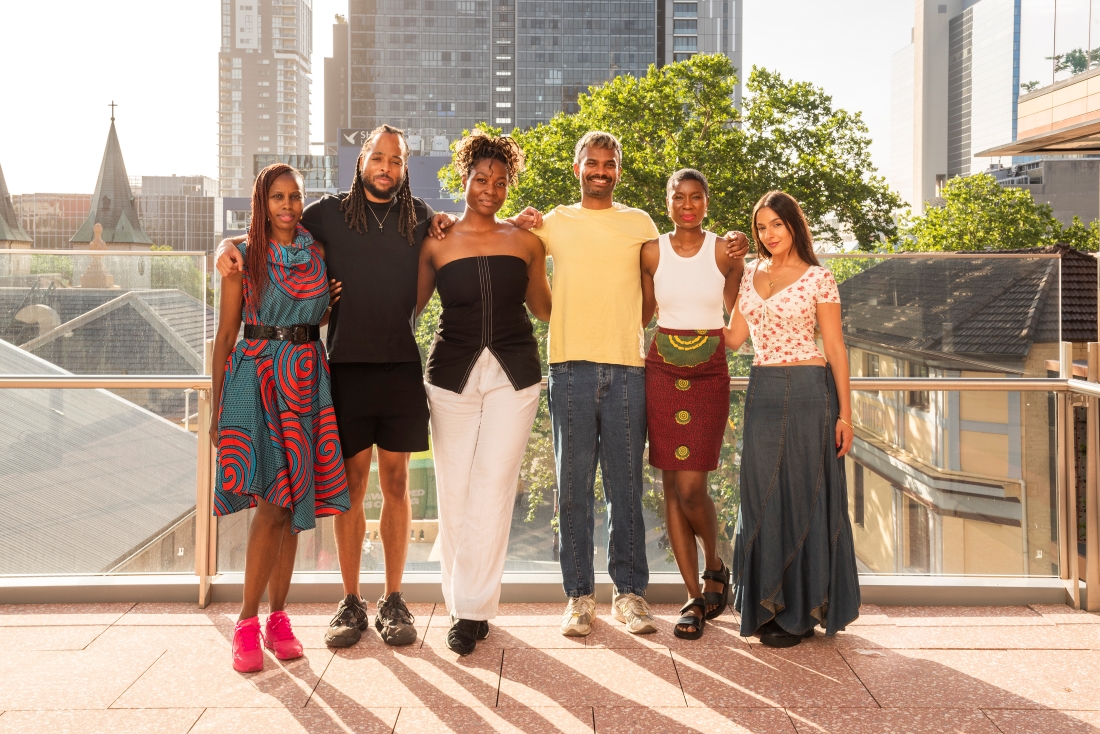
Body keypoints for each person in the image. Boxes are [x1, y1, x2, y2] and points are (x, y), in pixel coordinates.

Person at [215, 126, 456, 648]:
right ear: (361, 161)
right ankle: (350, 601)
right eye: (377, 157)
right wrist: (222, 245)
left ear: (405, 167)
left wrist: (448, 219)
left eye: (396, 159)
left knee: (395, 486)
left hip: (399, 369)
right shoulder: (325, 212)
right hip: (342, 369)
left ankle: (393, 599)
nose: (386, 167)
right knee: (348, 491)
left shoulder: (420, 218)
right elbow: (268, 227)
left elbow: (457, 233)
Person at [520, 131, 750, 637]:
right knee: (573, 492)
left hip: (630, 369)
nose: (600, 171)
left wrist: (733, 244)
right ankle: (580, 598)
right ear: (577, 166)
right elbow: (518, 250)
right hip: (569, 366)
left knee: (625, 491)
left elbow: (677, 274)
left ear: (619, 170)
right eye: (592, 162)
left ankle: (630, 595)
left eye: (609, 164)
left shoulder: (640, 225)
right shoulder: (553, 223)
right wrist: (520, 220)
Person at [210, 163, 350, 672]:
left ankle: (279, 618)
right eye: (277, 197)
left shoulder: (316, 252)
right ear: (261, 202)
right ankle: (246, 623)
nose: (288, 205)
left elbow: (315, 314)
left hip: (308, 380)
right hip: (260, 379)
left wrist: (325, 309)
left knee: (294, 511)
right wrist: (218, 410)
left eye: (295, 196)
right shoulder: (243, 257)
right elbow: (227, 336)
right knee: (270, 507)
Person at [416, 131, 551, 656]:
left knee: (494, 486)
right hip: (450, 374)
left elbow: (544, 307)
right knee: (454, 490)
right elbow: (408, 306)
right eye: (480, 179)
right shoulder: (436, 240)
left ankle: (472, 612)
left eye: (500, 182)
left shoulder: (525, 242)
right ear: (464, 179)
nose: (489, 190)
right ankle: (461, 601)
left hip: (516, 376)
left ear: (509, 185)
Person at [723, 190, 860, 648]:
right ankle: (764, 607)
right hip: (762, 389)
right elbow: (735, 338)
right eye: (761, 227)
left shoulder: (820, 277)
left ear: (793, 225)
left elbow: (836, 348)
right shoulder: (749, 275)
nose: (768, 234)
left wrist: (846, 413)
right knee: (761, 497)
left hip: (808, 391)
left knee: (804, 494)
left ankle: (799, 611)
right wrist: (681, 311)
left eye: (776, 224)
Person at [639, 169, 743, 640]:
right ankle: (694, 597)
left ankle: (715, 563)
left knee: (691, 486)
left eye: (695, 197)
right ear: (667, 203)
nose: (687, 205)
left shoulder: (725, 249)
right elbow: (642, 314)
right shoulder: (651, 251)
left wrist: (743, 258)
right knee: (669, 487)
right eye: (678, 197)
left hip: (709, 370)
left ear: (706, 202)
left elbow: (740, 310)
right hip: (660, 366)